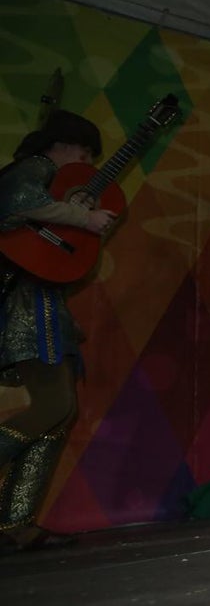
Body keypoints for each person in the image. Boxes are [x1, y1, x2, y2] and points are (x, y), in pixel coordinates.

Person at [0, 111, 116, 552]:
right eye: (82, 154)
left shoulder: (53, 180)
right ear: (59, 146)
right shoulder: (37, 167)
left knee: (59, 414)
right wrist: (81, 218)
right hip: (24, 304)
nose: (85, 163)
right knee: (53, 404)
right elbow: (14, 203)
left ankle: (16, 522)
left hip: (44, 303)